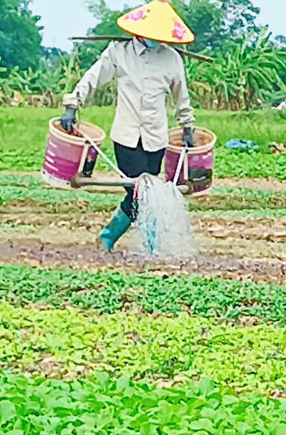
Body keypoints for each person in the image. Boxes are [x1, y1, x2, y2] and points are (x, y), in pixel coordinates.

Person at [61, 0, 197, 252]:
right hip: (126, 136)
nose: (156, 40)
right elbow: (92, 78)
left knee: (148, 191)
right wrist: (72, 105)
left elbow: (182, 97)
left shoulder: (171, 59)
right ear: (140, 31)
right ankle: (148, 244)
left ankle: (111, 236)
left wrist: (188, 127)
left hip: (156, 137)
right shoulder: (118, 52)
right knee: (141, 192)